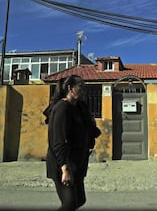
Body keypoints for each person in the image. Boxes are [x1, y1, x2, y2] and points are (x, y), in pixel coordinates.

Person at [43, 74, 101, 211]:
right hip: (63, 164)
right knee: (69, 204)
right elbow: (58, 140)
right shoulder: (62, 108)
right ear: (71, 88)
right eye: (81, 87)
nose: (84, 91)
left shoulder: (78, 108)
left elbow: (88, 130)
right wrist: (64, 169)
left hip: (77, 163)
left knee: (80, 200)